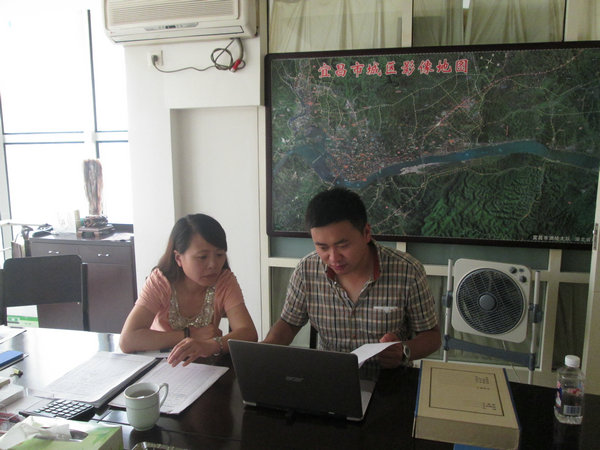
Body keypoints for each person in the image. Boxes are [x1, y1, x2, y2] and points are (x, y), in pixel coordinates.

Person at [264, 187, 440, 368]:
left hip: (388, 376)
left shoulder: (407, 271)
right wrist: (264, 351)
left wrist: (404, 351)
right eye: (323, 248)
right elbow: (289, 324)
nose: (334, 258)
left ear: (366, 233)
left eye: (343, 245)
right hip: (330, 373)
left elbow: (432, 336)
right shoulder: (306, 270)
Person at [120, 213, 258, 367]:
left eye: (219, 255)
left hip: (205, 368)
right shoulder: (160, 282)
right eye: (202, 257)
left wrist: (212, 345)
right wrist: (190, 335)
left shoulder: (224, 280)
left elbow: (249, 333)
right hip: (164, 366)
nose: (213, 264)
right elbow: (128, 340)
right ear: (178, 258)